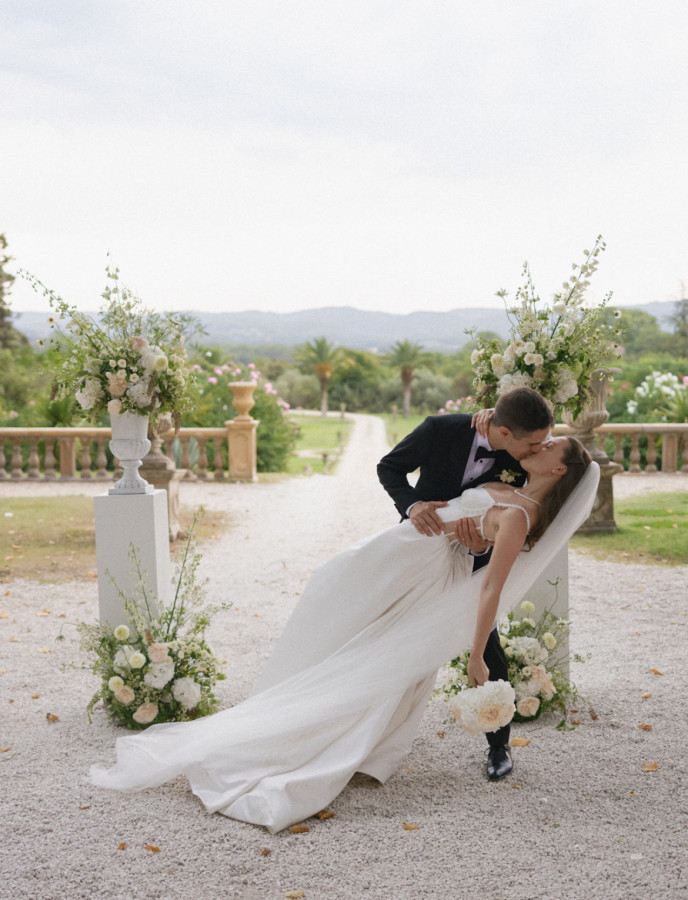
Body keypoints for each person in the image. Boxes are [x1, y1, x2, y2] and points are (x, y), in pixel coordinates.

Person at [91, 437, 598, 835]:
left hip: (422, 567)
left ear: (559, 471)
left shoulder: (520, 516)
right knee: (337, 613)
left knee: (371, 659)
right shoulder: (512, 488)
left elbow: (490, 587)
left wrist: (476, 655)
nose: (543, 443)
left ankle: (316, 740)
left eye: (552, 446)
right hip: (402, 551)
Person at [377, 387, 554, 780]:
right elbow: (389, 467)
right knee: (392, 637)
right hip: (420, 553)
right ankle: (375, 733)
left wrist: (482, 544)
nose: (539, 449)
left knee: (487, 642)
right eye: (533, 443)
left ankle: (499, 745)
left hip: (477, 560)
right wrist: (412, 506)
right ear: (504, 432)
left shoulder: (526, 457)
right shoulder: (440, 429)